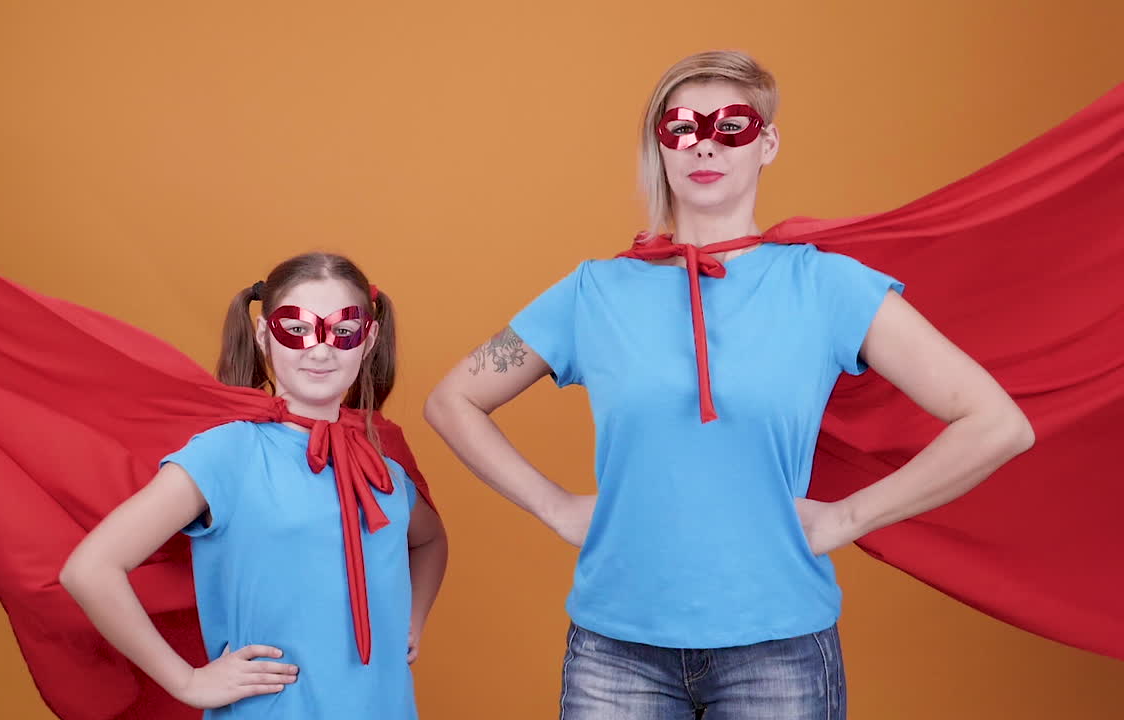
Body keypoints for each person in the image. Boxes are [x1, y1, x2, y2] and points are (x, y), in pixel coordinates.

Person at [424, 50, 1034, 719]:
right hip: (615, 650)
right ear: (660, 147)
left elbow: (995, 422)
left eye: (732, 125)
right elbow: (454, 399)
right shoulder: (591, 291)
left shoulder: (827, 285)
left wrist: (848, 517)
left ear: (767, 142)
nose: (705, 144)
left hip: (779, 649)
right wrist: (555, 506)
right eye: (681, 126)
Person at [58, 252, 448, 718]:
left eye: (343, 331)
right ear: (264, 334)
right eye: (297, 329)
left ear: (369, 340)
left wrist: (412, 620)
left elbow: (429, 540)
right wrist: (187, 680)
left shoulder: (382, 462)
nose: (320, 350)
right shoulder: (228, 453)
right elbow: (90, 568)